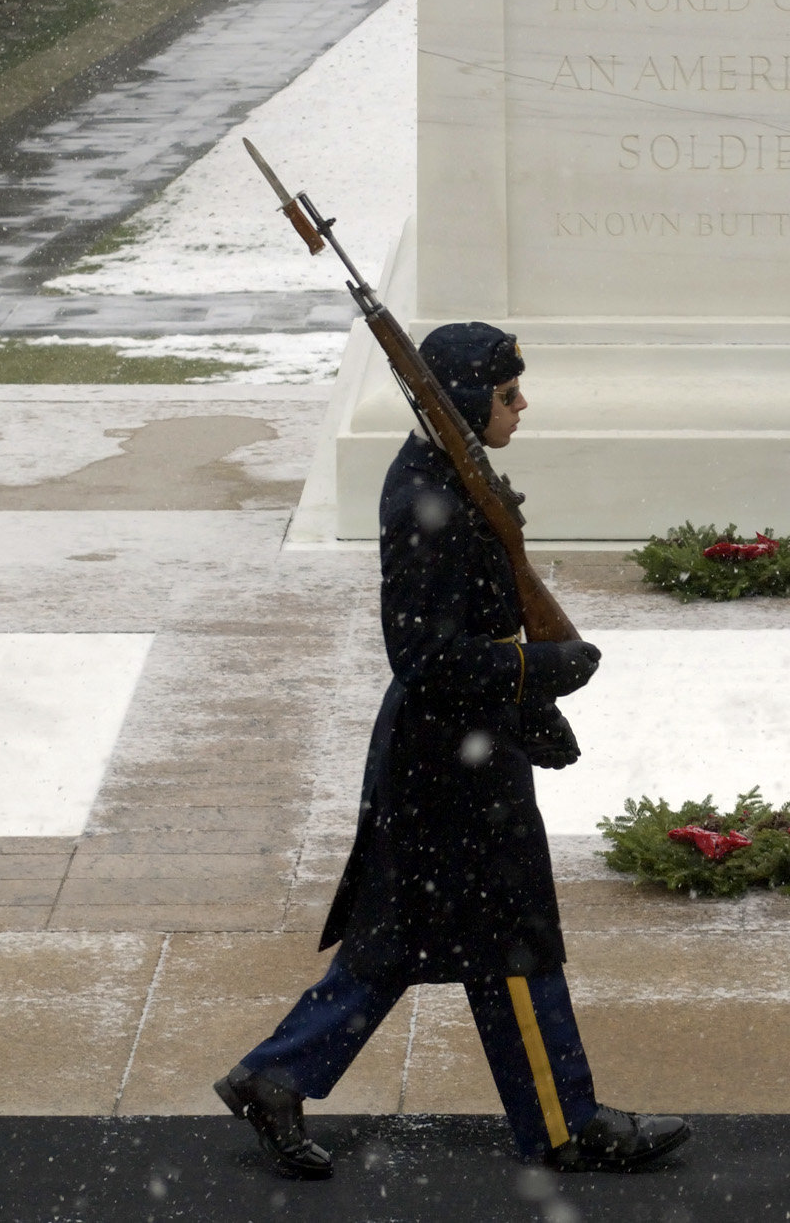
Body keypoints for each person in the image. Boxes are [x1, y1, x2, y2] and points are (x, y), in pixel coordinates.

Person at [216, 321, 691, 1181]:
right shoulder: (424, 500)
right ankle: (563, 1123)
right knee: (510, 939)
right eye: (508, 394)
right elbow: (425, 658)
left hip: (456, 747)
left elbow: (477, 617)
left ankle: (276, 1075)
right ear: (468, 402)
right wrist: (537, 667)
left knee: (408, 934)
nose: (522, 406)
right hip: (448, 761)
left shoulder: (449, 475)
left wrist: (528, 702)